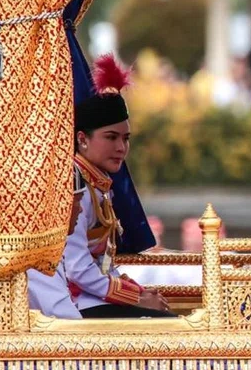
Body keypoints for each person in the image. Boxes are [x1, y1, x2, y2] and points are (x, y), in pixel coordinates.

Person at [65, 55, 173, 318]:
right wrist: (136, 297)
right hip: (73, 304)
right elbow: (78, 269)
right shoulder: (76, 185)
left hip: (94, 296)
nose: (121, 148)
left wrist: (140, 294)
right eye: (111, 137)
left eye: (125, 139)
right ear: (82, 139)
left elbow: (103, 267)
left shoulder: (98, 184)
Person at [26, 169, 88, 319]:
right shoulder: (39, 253)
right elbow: (65, 318)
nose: (80, 209)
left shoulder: (48, 247)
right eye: (77, 200)